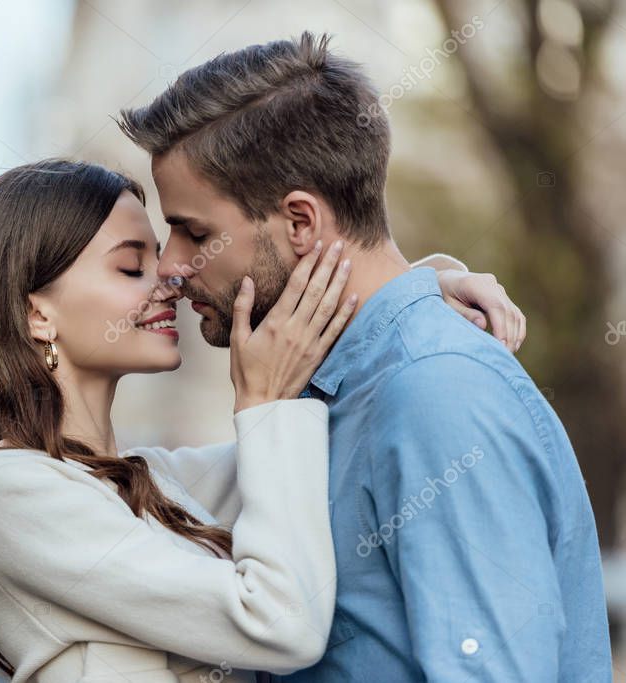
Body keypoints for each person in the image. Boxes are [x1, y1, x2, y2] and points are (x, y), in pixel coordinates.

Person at [119, 32, 610, 682]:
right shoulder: (322, 394)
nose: (173, 267)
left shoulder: (432, 394)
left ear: (299, 221)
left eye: (196, 233)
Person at [0, 159, 521, 682]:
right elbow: (283, 623)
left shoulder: (157, 482)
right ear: (36, 313)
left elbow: (327, 431)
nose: (170, 279)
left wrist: (413, 291)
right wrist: (262, 403)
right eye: (130, 267)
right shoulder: (8, 490)